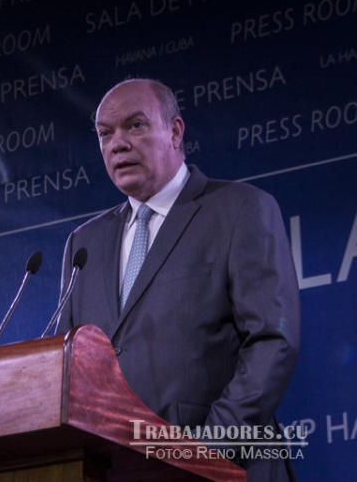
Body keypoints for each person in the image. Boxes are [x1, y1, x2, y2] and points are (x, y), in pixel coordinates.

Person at [55, 78, 300, 481]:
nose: (118, 144)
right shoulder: (84, 244)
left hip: (225, 466)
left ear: (174, 131)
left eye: (135, 125)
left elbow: (272, 341)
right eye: (105, 133)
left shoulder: (240, 209)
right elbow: (72, 373)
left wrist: (204, 452)